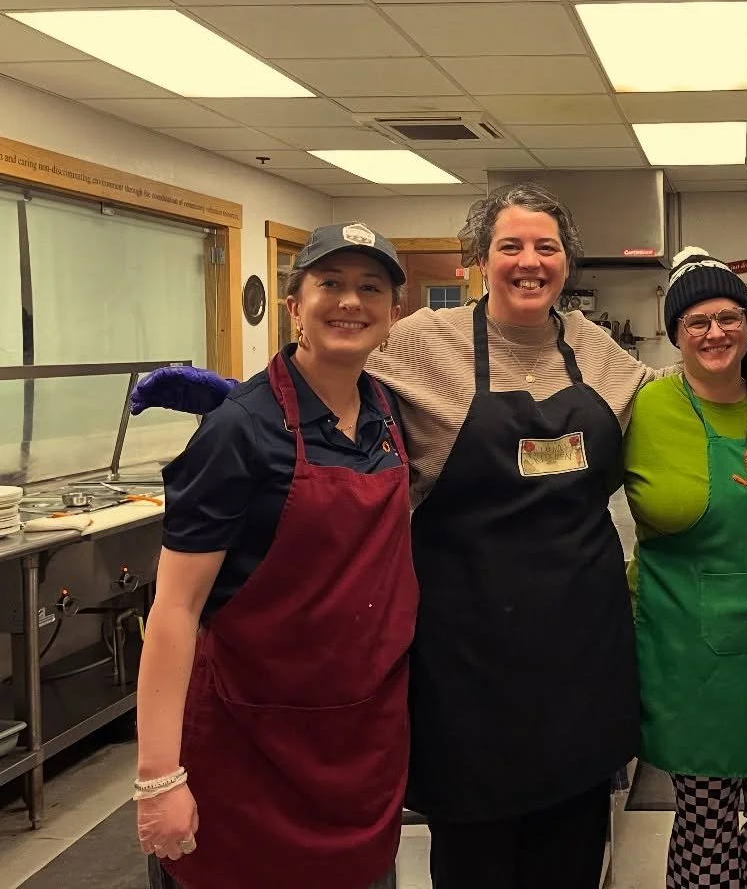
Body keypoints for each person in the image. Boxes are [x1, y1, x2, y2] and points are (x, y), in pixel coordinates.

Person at [135, 185, 660, 887]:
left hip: (579, 662)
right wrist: (239, 400)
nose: (528, 262)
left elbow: (673, 399)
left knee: (572, 854)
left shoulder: (601, 355)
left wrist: (744, 367)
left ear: (567, 263)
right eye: (509, 246)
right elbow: (319, 383)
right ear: (479, 260)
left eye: (546, 247)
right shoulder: (417, 346)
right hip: (464, 663)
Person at [136, 223, 414, 889]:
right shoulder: (238, 429)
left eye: (370, 288)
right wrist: (158, 778)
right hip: (248, 750)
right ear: (295, 306)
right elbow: (174, 609)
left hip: (358, 747)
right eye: (330, 284)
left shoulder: (386, 414)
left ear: (393, 315)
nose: (351, 302)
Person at [626, 247, 747, 888]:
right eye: (697, 322)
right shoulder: (643, 409)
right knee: (703, 822)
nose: (715, 333)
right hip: (690, 656)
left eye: (729, 317)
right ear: (675, 334)